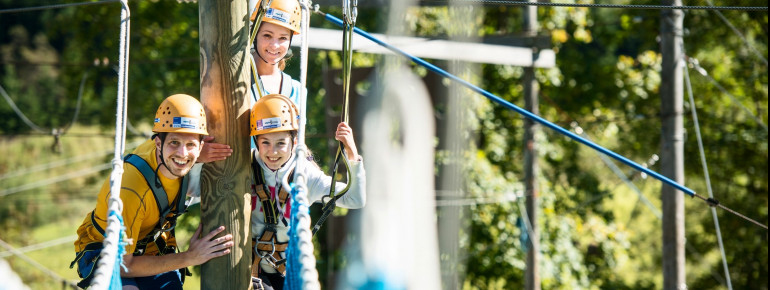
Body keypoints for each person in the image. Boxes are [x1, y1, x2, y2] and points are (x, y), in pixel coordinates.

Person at [71, 94, 234, 290]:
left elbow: (182, 149)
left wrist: (197, 155)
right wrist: (189, 257)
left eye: (190, 144)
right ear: (158, 143)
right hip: (107, 251)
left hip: (151, 247)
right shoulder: (130, 188)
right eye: (174, 143)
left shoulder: (183, 156)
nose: (183, 154)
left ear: (201, 146)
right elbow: (125, 266)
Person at [248, 94, 366, 290]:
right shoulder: (245, 166)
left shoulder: (305, 175)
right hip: (251, 268)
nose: (273, 152)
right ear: (256, 142)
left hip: (287, 271)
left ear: (294, 143)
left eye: (280, 143)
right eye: (265, 143)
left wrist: (352, 153)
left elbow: (355, 199)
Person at [249, 0, 305, 105]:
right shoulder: (236, 80)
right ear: (254, 34)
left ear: (290, 41)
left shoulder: (297, 90)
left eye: (283, 38)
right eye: (267, 35)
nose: (274, 45)